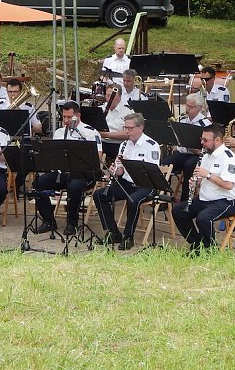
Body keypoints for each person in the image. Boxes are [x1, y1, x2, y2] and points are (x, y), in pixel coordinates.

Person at [33, 102, 104, 236]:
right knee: (39, 183)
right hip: (63, 173)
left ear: (78, 116)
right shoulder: (59, 132)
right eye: (64, 117)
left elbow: (98, 156)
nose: (66, 120)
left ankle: (72, 222)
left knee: (74, 186)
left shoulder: (90, 132)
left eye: (69, 117)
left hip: (83, 175)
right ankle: (49, 221)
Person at [92, 112, 160, 250]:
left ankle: (128, 237)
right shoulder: (124, 144)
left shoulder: (151, 145)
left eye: (130, 128)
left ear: (140, 128)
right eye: (125, 128)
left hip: (145, 185)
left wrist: (129, 163)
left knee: (132, 200)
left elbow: (151, 172)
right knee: (99, 195)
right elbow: (121, 172)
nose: (126, 131)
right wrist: (115, 169)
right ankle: (113, 232)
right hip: (127, 183)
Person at [172, 123, 235, 251]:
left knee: (203, 218)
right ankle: (198, 244)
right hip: (206, 198)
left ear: (217, 140)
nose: (202, 143)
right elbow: (202, 180)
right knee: (178, 211)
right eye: (202, 139)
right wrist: (196, 181)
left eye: (205, 140)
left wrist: (208, 175)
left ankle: (210, 249)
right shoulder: (206, 156)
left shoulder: (228, 158)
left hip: (226, 200)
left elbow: (228, 185)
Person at [161, 93, 209, 202]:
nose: (187, 109)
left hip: (196, 155)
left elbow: (206, 146)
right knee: (165, 163)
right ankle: (164, 198)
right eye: (187, 105)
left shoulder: (205, 124)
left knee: (189, 166)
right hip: (182, 153)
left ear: (200, 108)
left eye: (191, 107)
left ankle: (185, 201)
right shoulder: (182, 120)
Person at [99, 83, 129, 165]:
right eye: (108, 95)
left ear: (119, 97)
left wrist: (105, 134)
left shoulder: (128, 112)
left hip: (117, 145)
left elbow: (127, 134)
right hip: (101, 144)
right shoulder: (100, 109)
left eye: (112, 96)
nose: (110, 98)